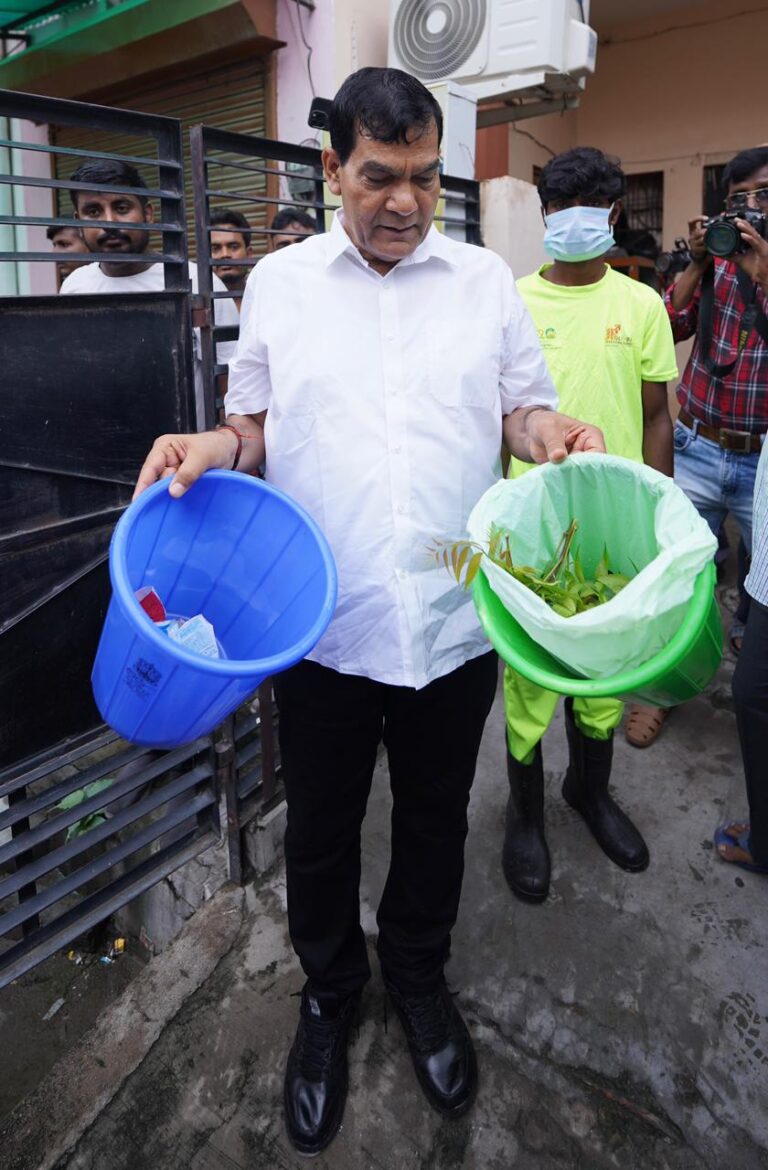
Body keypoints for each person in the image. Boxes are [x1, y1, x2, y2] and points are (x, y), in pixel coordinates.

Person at [133, 68, 605, 1156]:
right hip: (324, 628)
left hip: (451, 617)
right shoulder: (283, 288)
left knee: (437, 818)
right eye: (379, 177)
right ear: (333, 169)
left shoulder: (485, 281)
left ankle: (419, 974)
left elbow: (520, 408)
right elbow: (253, 428)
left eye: (423, 180)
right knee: (323, 830)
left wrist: (553, 434)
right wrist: (213, 447)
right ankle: (330, 993)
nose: (403, 202)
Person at [500, 147, 678, 903]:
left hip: (617, 532)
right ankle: (525, 814)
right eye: (560, 208)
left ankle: (590, 792)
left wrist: (662, 522)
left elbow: (656, 416)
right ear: (545, 217)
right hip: (531, 531)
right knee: (530, 682)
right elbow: (494, 418)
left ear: (612, 216)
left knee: (605, 677)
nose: (574, 222)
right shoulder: (508, 301)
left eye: (591, 208)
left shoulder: (641, 305)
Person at [627, 147, 768, 748]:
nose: (753, 209)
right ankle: (668, 688)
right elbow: (668, 323)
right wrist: (698, 264)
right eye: (742, 198)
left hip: (765, 464)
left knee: (760, 589)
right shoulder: (719, 262)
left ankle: (752, 685)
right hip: (700, 446)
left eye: (765, 194)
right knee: (678, 575)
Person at [59, 159, 240, 415]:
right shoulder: (75, 286)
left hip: (185, 451)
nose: (109, 223)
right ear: (79, 222)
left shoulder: (197, 281)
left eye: (121, 208)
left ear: (149, 214)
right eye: (94, 211)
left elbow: (229, 383)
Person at [210, 207, 253, 308]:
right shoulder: (197, 308)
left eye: (234, 247)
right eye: (215, 249)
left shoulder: (264, 299)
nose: (225, 254)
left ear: (249, 253)